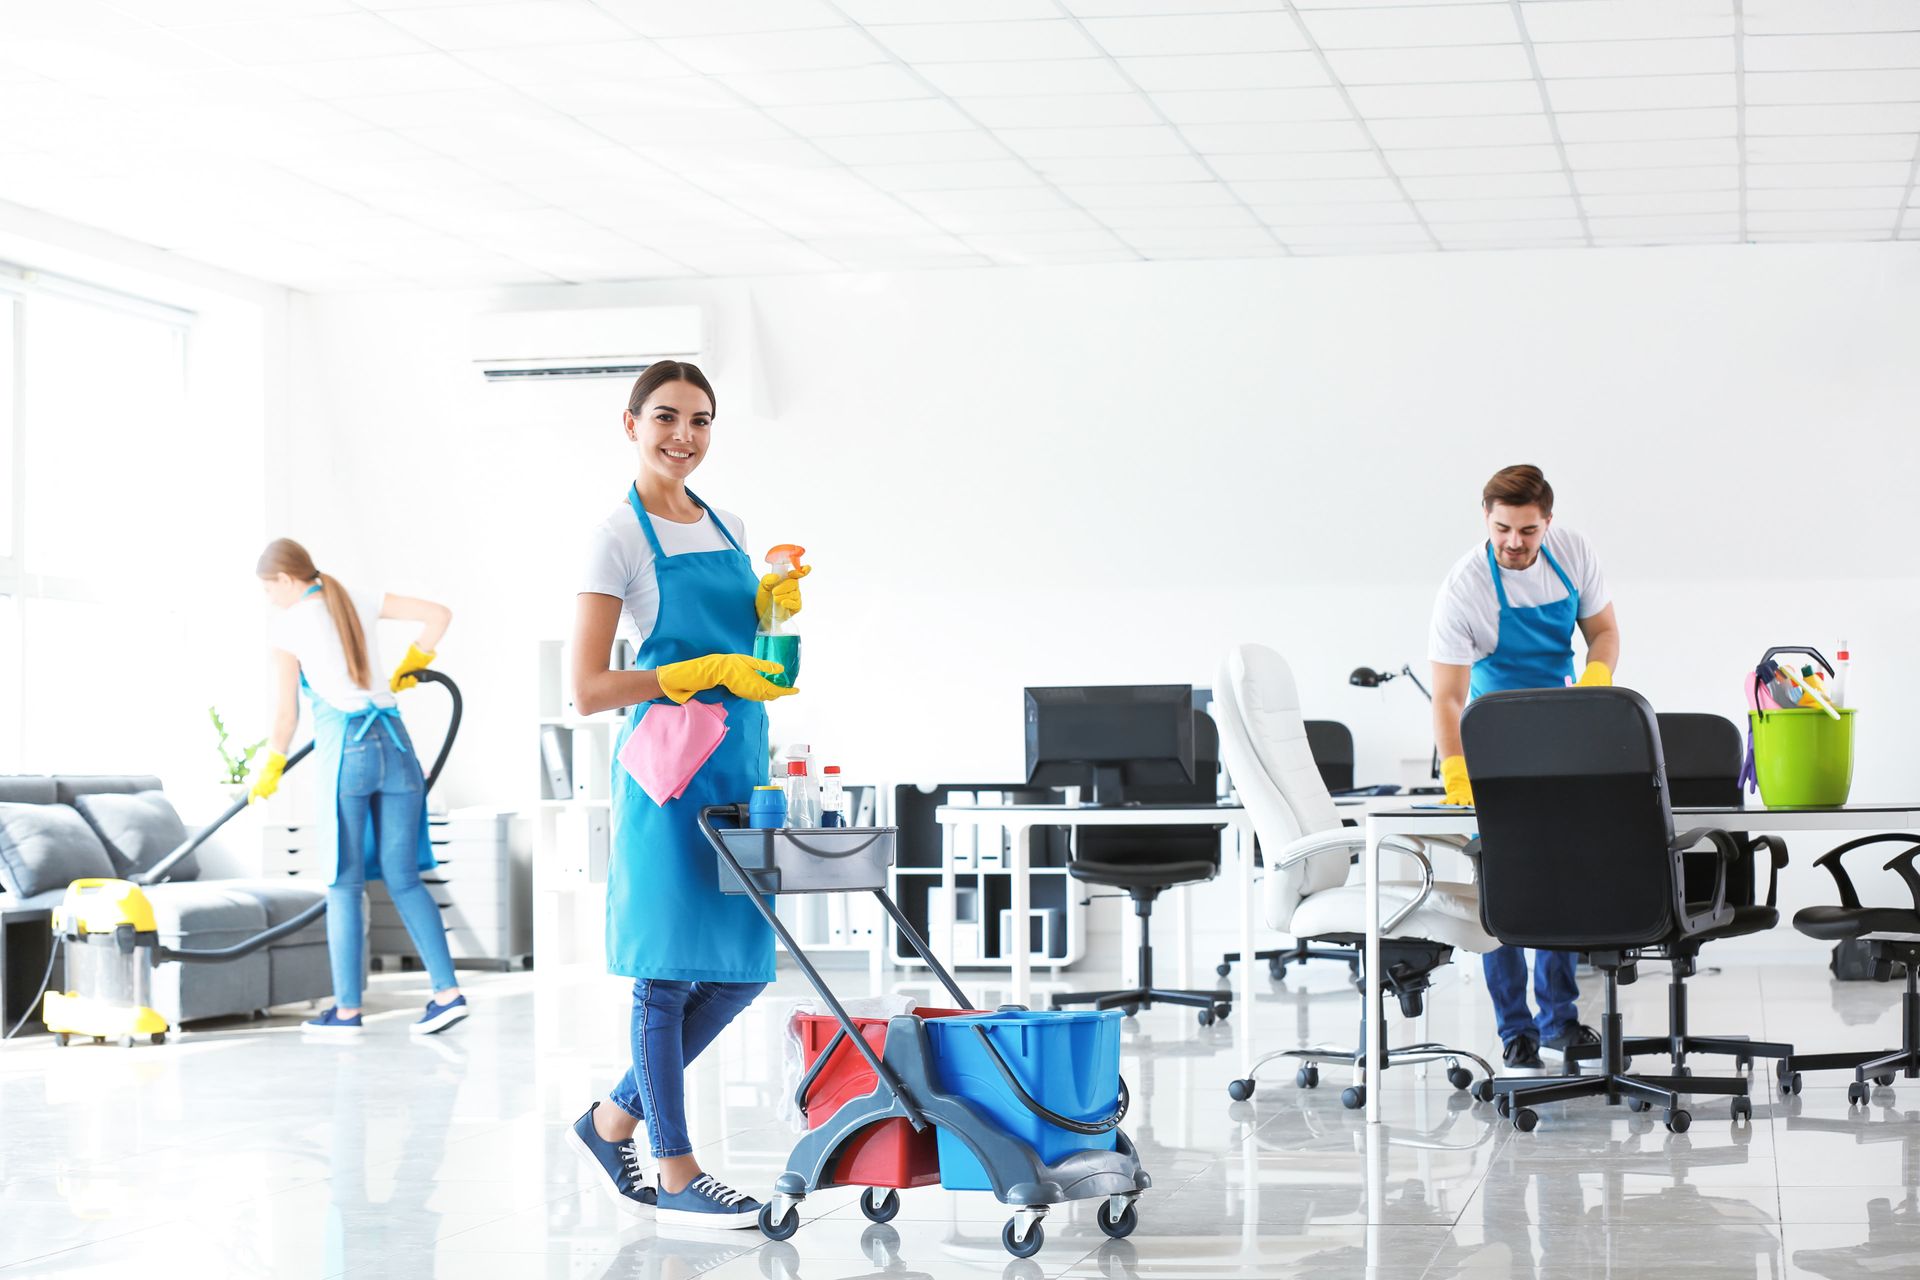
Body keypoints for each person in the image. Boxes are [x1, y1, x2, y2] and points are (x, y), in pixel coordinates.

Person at [565, 361, 798, 1230]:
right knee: (663, 977)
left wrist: (773, 614)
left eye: (700, 421)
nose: (684, 437)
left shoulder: (731, 526)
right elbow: (587, 688)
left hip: (741, 771)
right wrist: (688, 673)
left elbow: (755, 651)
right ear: (630, 424)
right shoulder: (613, 539)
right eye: (665, 417)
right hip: (666, 779)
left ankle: (609, 1122)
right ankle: (672, 1167)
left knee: (740, 970)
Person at [1428, 465, 1620, 1070]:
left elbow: (1606, 631)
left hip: (1563, 727)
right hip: (1493, 737)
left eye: (1528, 530)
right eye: (1504, 528)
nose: (1515, 542)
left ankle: (1560, 1019)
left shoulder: (1573, 554)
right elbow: (1449, 697)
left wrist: (1597, 677)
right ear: (1486, 518)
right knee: (1502, 882)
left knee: (1558, 876)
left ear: (1548, 523)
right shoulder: (1464, 588)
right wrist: (1458, 771)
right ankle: (1516, 1029)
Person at [252, 538, 467, 1038]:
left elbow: (286, 717)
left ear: (286, 580)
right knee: (405, 877)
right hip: (397, 747)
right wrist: (414, 662)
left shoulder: (286, 626)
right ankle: (447, 993)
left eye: (269, 589)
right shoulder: (355, 597)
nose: (270, 600)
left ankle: (346, 1011)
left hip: (347, 751)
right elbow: (439, 614)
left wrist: (270, 765)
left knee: (344, 883)